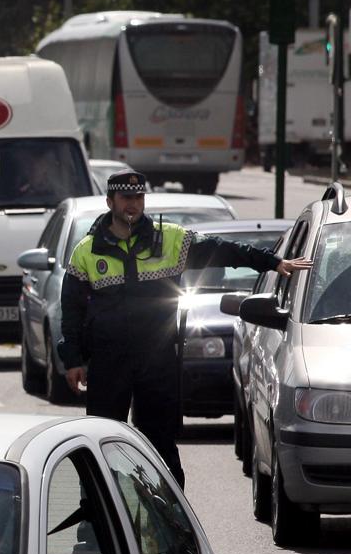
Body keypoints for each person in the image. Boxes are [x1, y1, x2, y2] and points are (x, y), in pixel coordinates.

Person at [58, 170, 312, 487]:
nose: (132, 205)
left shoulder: (171, 240)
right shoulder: (87, 250)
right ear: (110, 202)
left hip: (157, 360)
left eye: (138, 198)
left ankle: (173, 521)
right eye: (125, 198)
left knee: (161, 444)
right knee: (99, 441)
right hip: (108, 362)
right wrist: (73, 359)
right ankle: (95, 517)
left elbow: (223, 250)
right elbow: (72, 310)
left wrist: (273, 262)